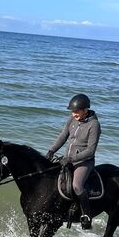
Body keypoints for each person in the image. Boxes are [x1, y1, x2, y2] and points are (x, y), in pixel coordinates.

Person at [46, 93, 101, 229]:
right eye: (72, 111)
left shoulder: (94, 125)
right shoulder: (71, 120)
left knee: (76, 185)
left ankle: (86, 216)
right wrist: (51, 151)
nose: (74, 114)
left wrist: (71, 159)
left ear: (85, 110)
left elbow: (90, 151)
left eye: (76, 112)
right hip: (67, 159)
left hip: (84, 161)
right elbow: (62, 137)